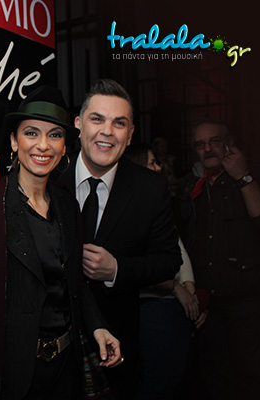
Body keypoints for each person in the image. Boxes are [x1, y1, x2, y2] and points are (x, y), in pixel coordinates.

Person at [0, 86, 122, 400]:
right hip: (10, 373)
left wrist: (97, 326)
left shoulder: (67, 205)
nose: (43, 145)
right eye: (31, 133)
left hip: (65, 369)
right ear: (14, 141)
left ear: (64, 147)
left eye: (55, 135)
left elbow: (74, 282)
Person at [54, 79, 181, 400]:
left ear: (131, 134)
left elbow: (169, 262)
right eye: (97, 119)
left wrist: (117, 270)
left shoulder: (150, 188)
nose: (107, 131)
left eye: (119, 123)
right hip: (51, 343)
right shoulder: (49, 175)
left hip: (117, 343)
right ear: (78, 124)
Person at [174, 118, 260, 400]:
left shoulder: (252, 175)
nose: (207, 149)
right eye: (200, 144)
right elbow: (185, 243)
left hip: (249, 304)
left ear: (229, 142)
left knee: (254, 377)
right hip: (210, 308)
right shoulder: (192, 187)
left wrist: (243, 176)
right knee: (215, 379)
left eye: (214, 141)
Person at [125, 144, 199, 400]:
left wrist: (190, 289)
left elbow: (178, 248)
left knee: (175, 378)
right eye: (151, 162)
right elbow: (133, 267)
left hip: (175, 306)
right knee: (155, 383)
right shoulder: (127, 208)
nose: (158, 167)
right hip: (151, 307)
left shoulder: (156, 202)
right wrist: (176, 288)